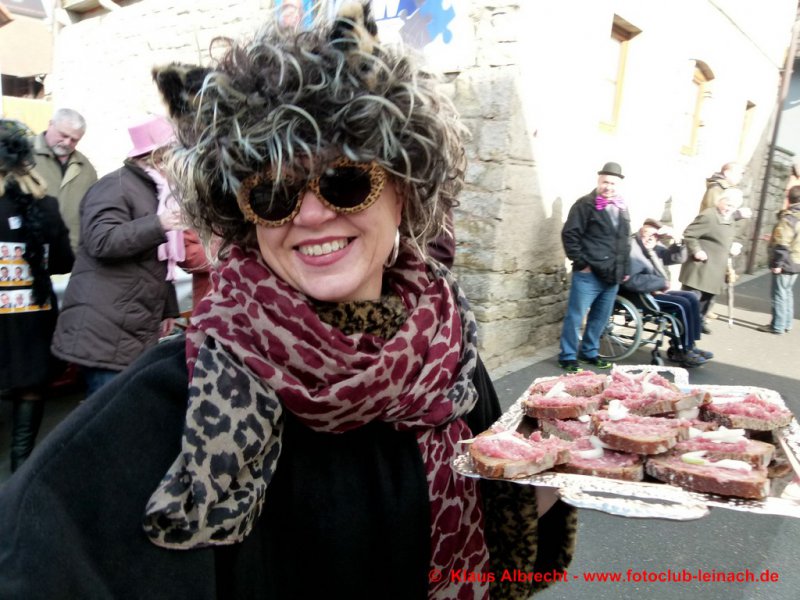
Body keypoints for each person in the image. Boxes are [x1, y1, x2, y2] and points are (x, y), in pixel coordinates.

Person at [0, 5, 576, 599]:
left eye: (346, 179)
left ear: (404, 191)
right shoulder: (183, 391)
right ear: (245, 217)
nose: (311, 214)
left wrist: (563, 472)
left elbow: (494, 523)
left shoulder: (448, 353)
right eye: (273, 192)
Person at [50, 115, 182, 398]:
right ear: (158, 157)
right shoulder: (115, 186)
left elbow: (158, 259)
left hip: (127, 323)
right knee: (107, 411)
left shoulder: (157, 190)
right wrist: (159, 224)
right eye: (178, 155)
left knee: (120, 409)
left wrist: (168, 309)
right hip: (105, 327)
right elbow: (101, 241)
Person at [0, 119, 75, 472]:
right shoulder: (46, 205)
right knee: (29, 397)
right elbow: (63, 262)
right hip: (33, 321)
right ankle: (19, 478)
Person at [559, 161, 631, 372]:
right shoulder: (585, 204)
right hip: (588, 275)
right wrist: (581, 263)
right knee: (575, 317)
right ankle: (567, 356)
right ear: (599, 181)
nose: (608, 187)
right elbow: (570, 234)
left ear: (619, 185)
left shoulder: (622, 207)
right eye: (605, 182)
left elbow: (626, 241)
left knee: (600, 318)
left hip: (612, 275)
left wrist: (625, 268)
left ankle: (589, 352)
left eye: (612, 183)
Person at [621, 219, 712, 367]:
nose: (650, 238)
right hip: (640, 295)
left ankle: (689, 344)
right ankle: (683, 350)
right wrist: (661, 283)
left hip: (654, 290)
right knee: (682, 304)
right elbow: (632, 281)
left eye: (655, 236)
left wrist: (677, 240)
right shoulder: (634, 250)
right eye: (646, 234)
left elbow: (677, 258)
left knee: (691, 297)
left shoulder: (653, 247)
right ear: (640, 233)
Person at [32, 108, 98, 253]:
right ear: (50, 125)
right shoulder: (23, 155)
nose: (67, 142)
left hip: (71, 254)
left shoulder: (86, 168)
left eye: (74, 140)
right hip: (28, 251)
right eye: (63, 135)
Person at [679, 187, 744, 331]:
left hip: (715, 269)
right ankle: (683, 327)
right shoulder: (708, 216)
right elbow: (689, 234)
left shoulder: (729, 219)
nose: (729, 209)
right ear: (720, 201)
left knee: (707, 300)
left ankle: (699, 322)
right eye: (728, 204)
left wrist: (733, 247)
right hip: (700, 268)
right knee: (692, 300)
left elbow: (724, 238)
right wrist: (697, 250)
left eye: (733, 207)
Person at [758, 185, 800, 334]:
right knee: (787, 293)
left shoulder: (788, 219)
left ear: (789, 198)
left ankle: (777, 325)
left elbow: (783, 243)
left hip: (786, 261)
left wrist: (777, 263)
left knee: (779, 294)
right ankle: (787, 323)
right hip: (797, 260)